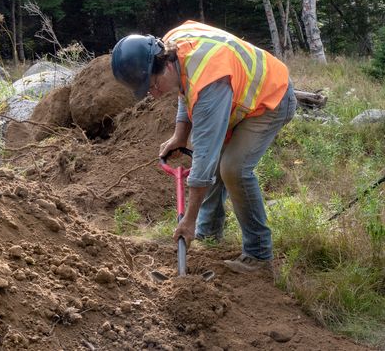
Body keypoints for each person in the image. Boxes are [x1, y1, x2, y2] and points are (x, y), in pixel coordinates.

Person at [111, 20, 297, 274]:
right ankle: (209, 233)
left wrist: (188, 220)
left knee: (232, 168)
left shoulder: (208, 83)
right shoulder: (171, 45)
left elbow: (204, 162)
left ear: (164, 66)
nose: (153, 95)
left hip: (270, 98)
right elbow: (185, 89)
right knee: (215, 160)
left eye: (153, 86)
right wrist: (179, 135)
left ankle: (259, 255)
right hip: (235, 93)